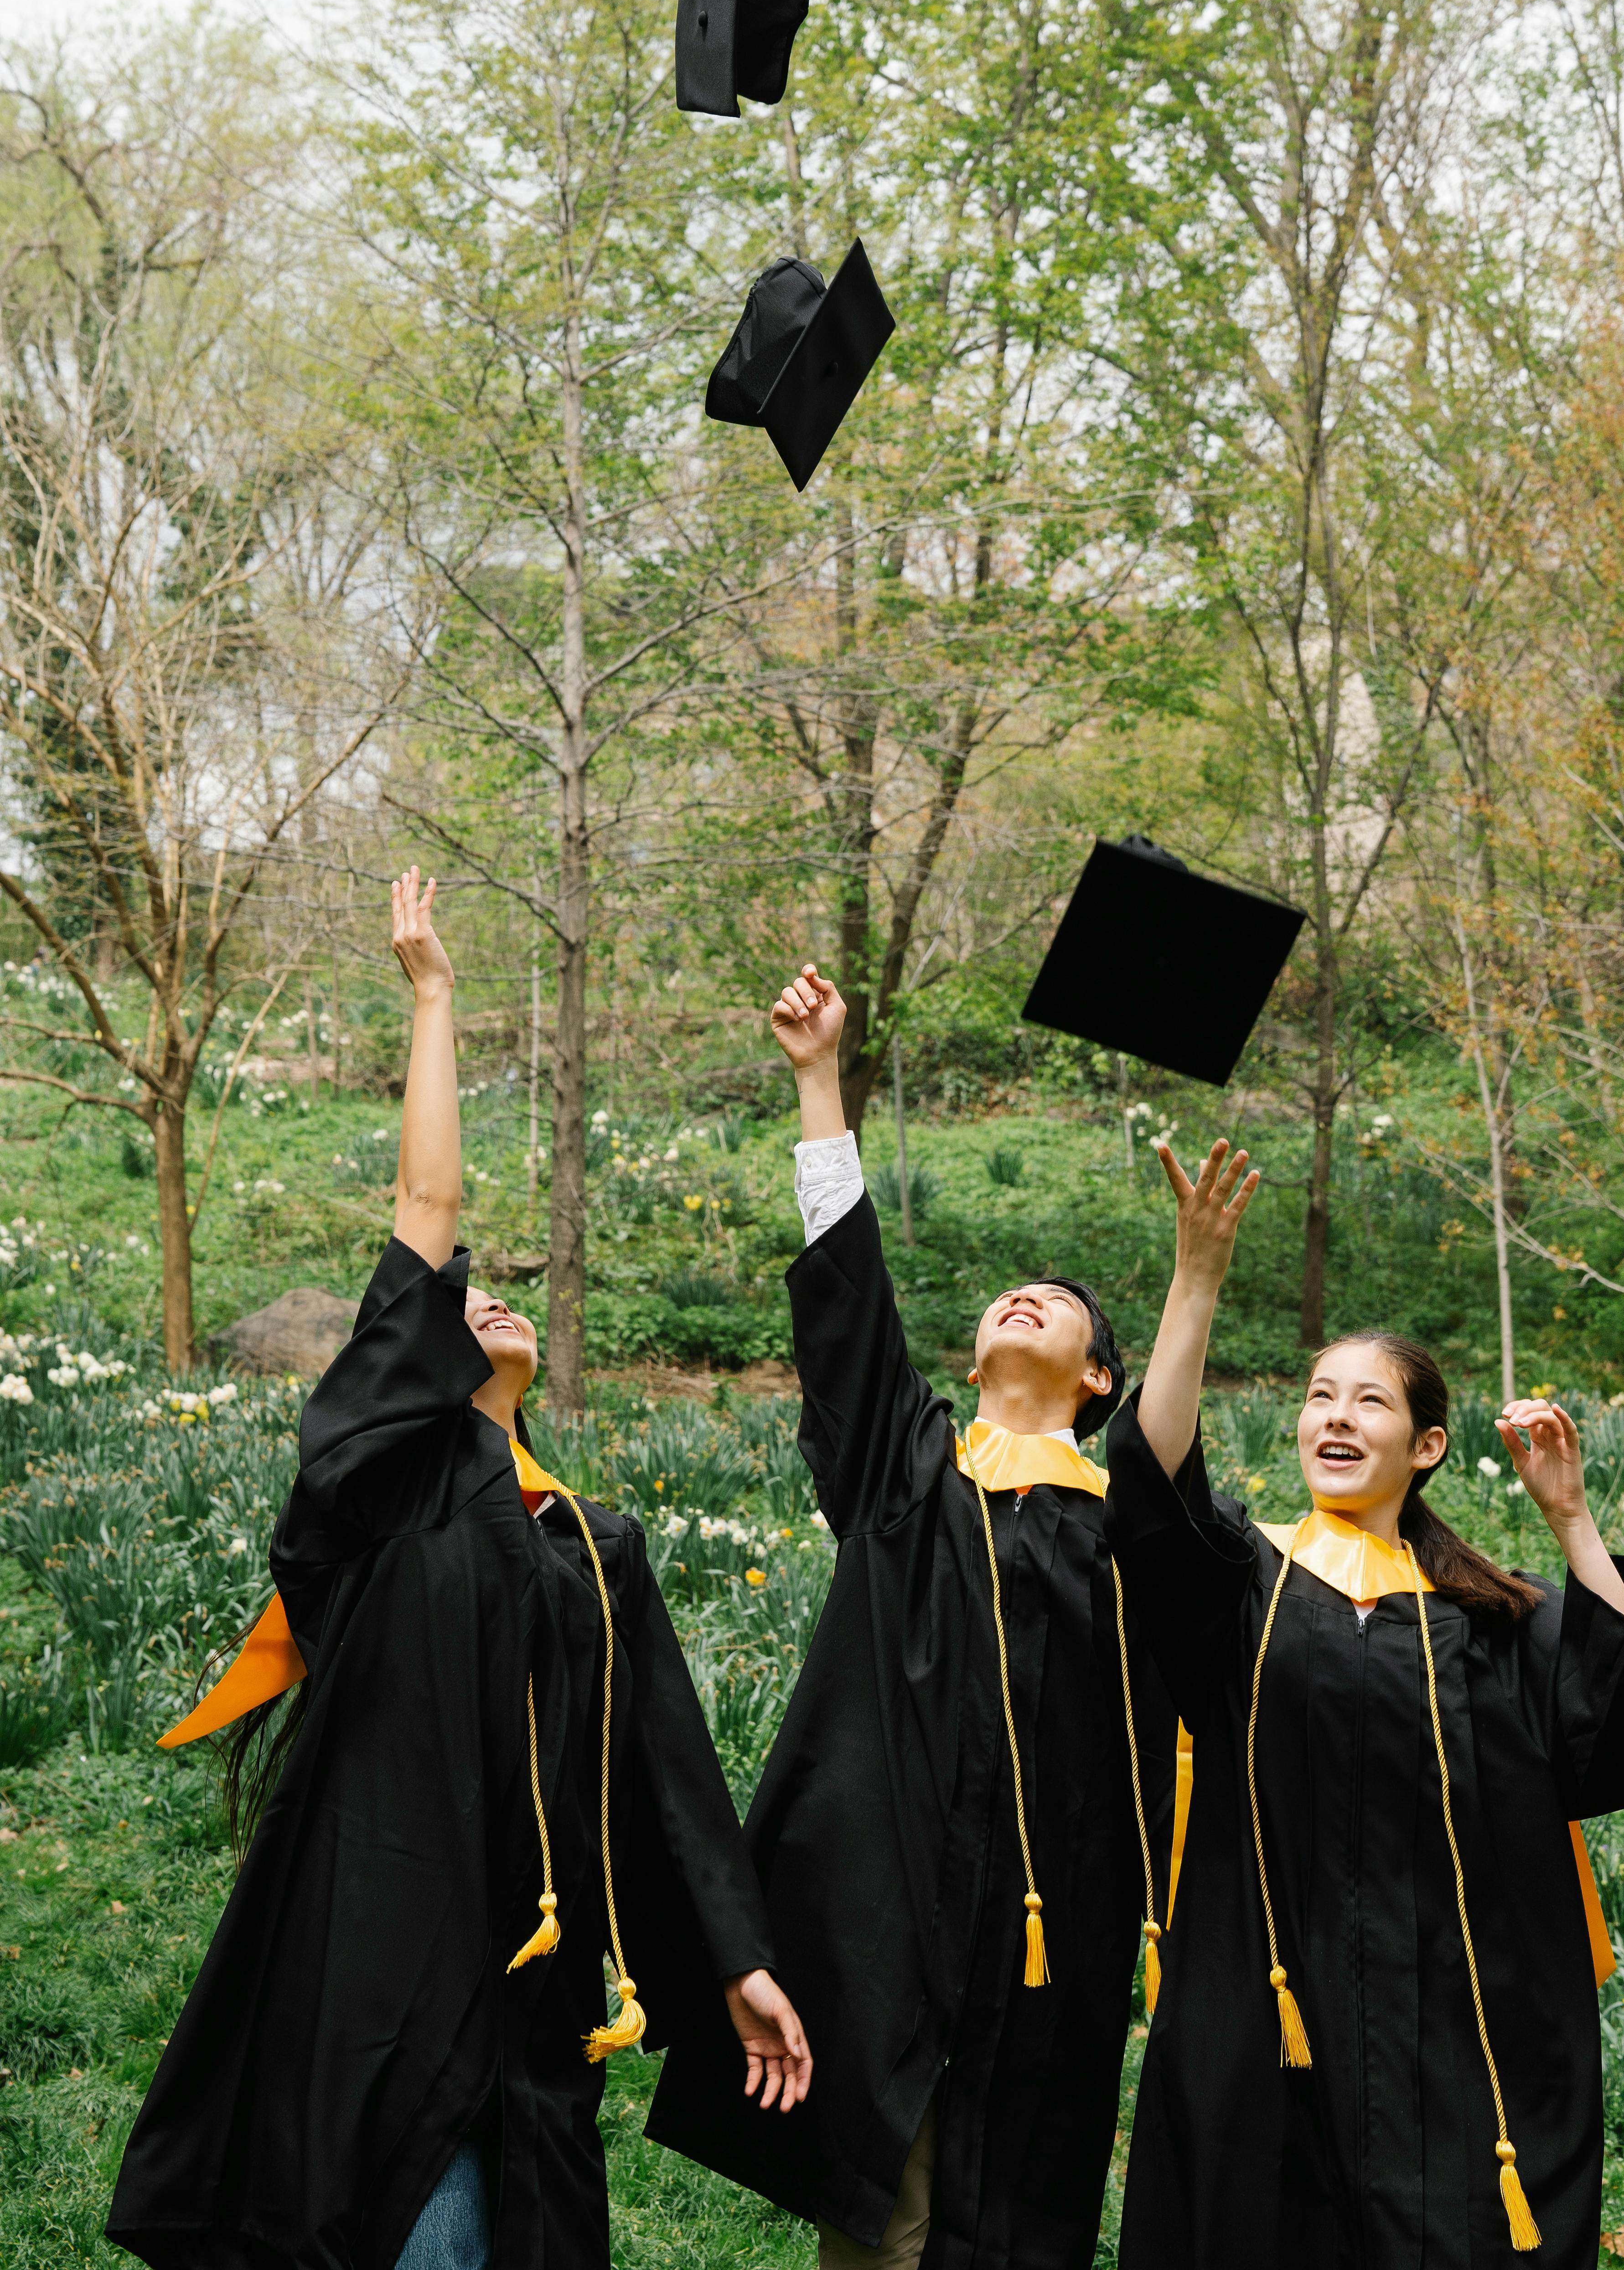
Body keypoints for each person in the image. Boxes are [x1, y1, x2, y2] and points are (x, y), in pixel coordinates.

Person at [108, 870, 811, 2270]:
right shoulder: (381, 1493)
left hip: (536, 1986)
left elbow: (669, 1775)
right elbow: (426, 1207)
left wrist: (736, 1961)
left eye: (512, 1299)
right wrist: (434, 997)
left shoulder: (594, 1541)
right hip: (379, 1955)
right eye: (459, 1300)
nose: (488, 1299)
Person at [1105, 1136, 1624, 2268]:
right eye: (1320, 1396)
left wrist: (1569, 1518)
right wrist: (1197, 1278)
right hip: (1270, 2012)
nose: (1334, 1415)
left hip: (1449, 2032)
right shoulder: (1247, 1589)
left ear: (1423, 1446)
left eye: (1367, 1402)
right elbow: (1154, 1489)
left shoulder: (1484, 1624)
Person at [647, 963, 1178, 2270]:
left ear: (1100, 1376)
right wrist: (820, 1080)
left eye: (1060, 1305)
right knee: (883, 2225)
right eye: (1009, 1294)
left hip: (1050, 1928)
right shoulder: (909, 1484)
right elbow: (849, 1325)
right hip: (887, 1907)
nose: (1024, 1298)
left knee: (1016, 2221)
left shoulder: (1125, 1533)